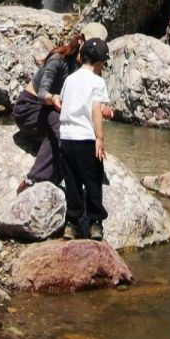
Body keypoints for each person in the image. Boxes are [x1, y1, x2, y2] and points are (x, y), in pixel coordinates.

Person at [12, 21, 107, 191]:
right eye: (90, 45)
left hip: (53, 111)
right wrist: (52, 98)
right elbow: (42, 92)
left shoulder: (92, 67)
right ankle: (32, 180)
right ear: (80, 41)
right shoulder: (59, 59)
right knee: (62, 126)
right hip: (30, 108)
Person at [59, 36, 111, 240]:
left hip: (67, 138)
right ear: (99, 62)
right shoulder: (97, 82)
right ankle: (95, 223)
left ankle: (71, 223)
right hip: (86, 139)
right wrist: (100, 138)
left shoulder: (70, 79)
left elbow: (64, 102)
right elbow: (96, 111)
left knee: (72, 182)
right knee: (93, 180)